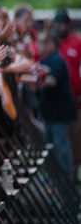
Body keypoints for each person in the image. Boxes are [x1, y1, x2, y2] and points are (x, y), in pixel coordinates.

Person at [36, 31, 77, 179]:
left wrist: (33, 80)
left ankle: (66, 181)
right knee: (52, 148)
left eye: (41, 43)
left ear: (51, 45)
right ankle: (56, 181)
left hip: (59, 114)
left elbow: (52, 81)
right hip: (51, 113)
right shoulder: (46, 59)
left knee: (62, 148)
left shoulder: (56, 60)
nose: (38, 46)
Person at [53, 9, 81, 178]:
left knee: (76, 139)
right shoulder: (51, 43)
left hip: (76, 101)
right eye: (59, 23)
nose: (62, 26)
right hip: (57, 103)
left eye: (65, 23)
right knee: (59, 141)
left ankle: (75, 173)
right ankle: (60, 177)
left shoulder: (77, 42)